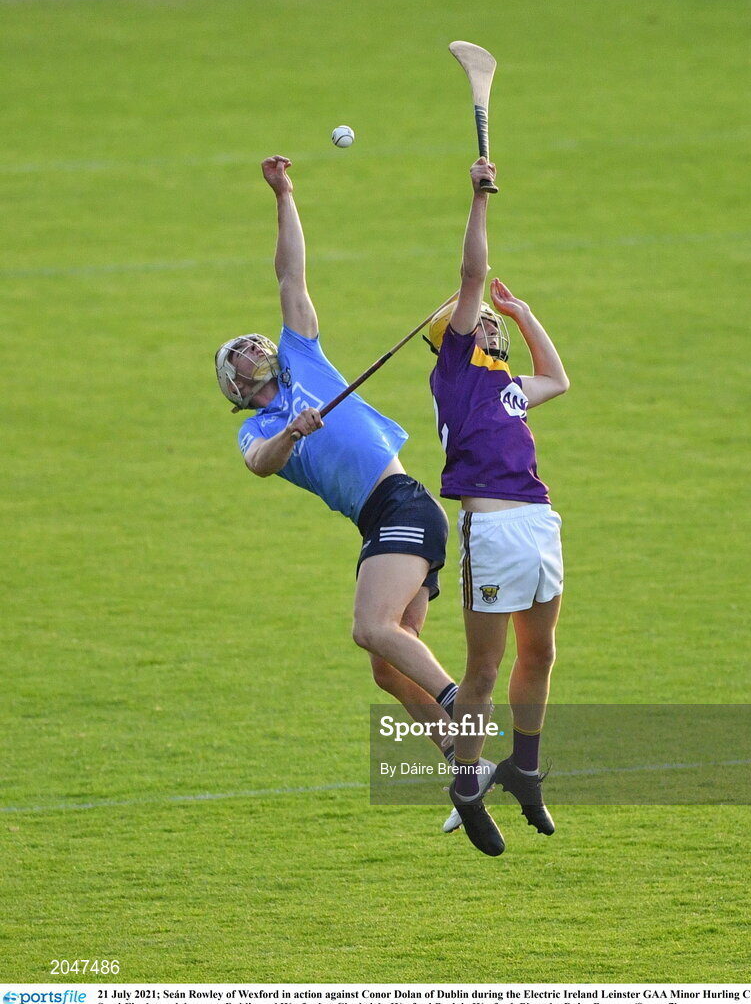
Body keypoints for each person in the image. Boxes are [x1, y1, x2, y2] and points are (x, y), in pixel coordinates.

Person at [214, 154, 463, 779]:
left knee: (369, 628)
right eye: (238, 361)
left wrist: (284, 194)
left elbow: (290, 276)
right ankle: (464, 759)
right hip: (380, 520)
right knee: (387, 664)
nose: (252, 353)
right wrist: (293, 433)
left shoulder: (302, 357)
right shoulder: (259, 428)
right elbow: (260, 465)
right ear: (236, 391)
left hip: (403, 501)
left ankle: (463, 707)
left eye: (253, 346)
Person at [427, 157, 570, 856]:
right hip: (491, 526)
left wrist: (525, 312)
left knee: (539, 654)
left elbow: (559, 379)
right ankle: (465, 781)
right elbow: (471, 276)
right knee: (483, 670)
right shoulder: (454, 372)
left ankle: (524, 767)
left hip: (539, 523)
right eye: (480, 320)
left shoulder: (509, 385)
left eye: (489, 322)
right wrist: (479, 200)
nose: (487, 323)